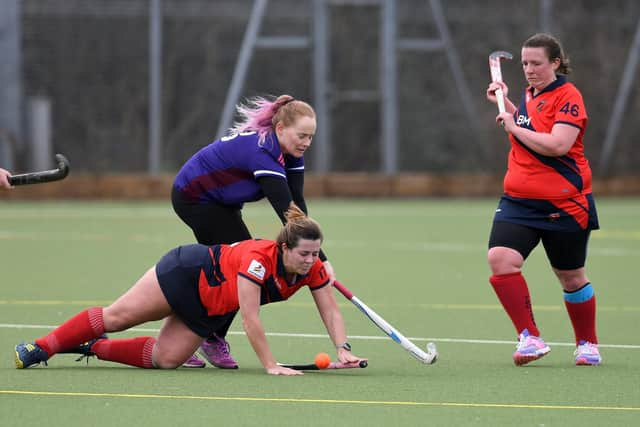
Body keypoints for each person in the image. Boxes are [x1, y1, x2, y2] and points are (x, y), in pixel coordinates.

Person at [14, 204, 366, 374]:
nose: (311, 260)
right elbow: (249, 316)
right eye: (304, 253)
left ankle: (94, 348)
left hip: (208, 309)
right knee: (118, 317)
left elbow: (330, 308)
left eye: (316, 253)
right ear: (285, 248)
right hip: (185, 274)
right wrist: (271, 365)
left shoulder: (312, 268)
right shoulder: (259, 258)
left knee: (166, 360)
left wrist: (343, 348)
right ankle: (39, 348)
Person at [172, 94, 336, 368]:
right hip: (195, 197)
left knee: (237, 270)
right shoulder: (264, 153)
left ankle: (203, 337)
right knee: (243, 268)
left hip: (223, 203)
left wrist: (319, 257)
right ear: (281, 129)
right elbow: (287, 212)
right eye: (302, 136)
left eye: (311, 137)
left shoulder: (290, 151)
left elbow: (297, 203)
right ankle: (198, 338)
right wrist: (321, 258)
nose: (307, 143)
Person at [485, 33, 601, 366]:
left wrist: (512, 127)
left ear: (555, 63)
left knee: (571, 276)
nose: (529, 69)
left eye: (536, 63)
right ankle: (530, 337)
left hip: (565, 204)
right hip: (518, 200)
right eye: (524, 63)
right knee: (500, 260)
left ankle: (587, 343)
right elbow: (527, 123)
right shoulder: (530, 94)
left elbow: (557, 145)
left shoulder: (569, 96)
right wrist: (505, 104)